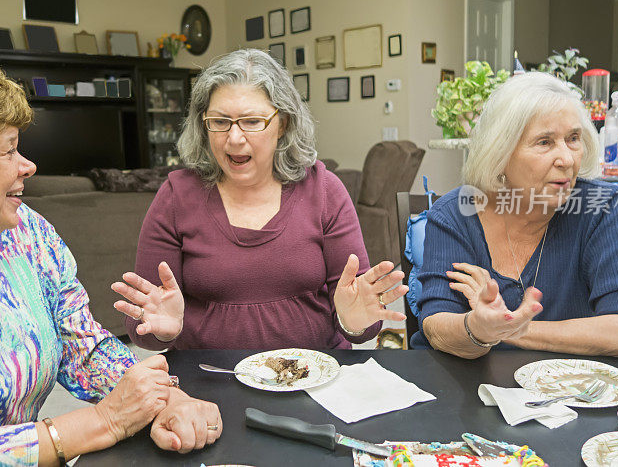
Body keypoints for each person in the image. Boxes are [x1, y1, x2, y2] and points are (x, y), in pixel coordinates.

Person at [0, 49, 221, 465]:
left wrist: (166, 399)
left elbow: (83, 347)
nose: (28, 166)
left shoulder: (24, 233)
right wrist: (105, 422)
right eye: (8, 151)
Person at [112, 49, 407, 350]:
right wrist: (163, 331)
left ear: (283, 124)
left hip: (315, 377)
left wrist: (353, 321)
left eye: (252, 121)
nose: (234, 138)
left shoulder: (325, 191)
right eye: (220, 121)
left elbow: (362, 321)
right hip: (208, 381)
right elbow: (143, 326)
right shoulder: (176, 197)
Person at [413, 71, 618, 361]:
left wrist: (511, 330)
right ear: (501, 154)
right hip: (467, 390)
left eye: (573, 139)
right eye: (544, 142)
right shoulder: (457, 212)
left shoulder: (605, 207)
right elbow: (436, 327)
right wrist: (477, 328)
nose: (567, 160)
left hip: (571, 395)